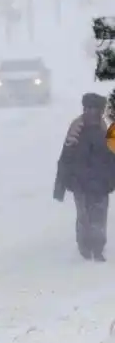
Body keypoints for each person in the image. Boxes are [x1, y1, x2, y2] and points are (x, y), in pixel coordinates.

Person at [54, 92, 115, 261]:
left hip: (101, 183)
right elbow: (66, 156)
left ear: (100, 111)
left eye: (94, 109)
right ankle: (84, 247)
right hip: (80, 182)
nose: (90, 113)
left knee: (99, 217)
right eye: (87, 109)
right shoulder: (76, 128)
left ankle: (98, 249)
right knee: (84, 216)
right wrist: (60, 185)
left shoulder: (108, 130)